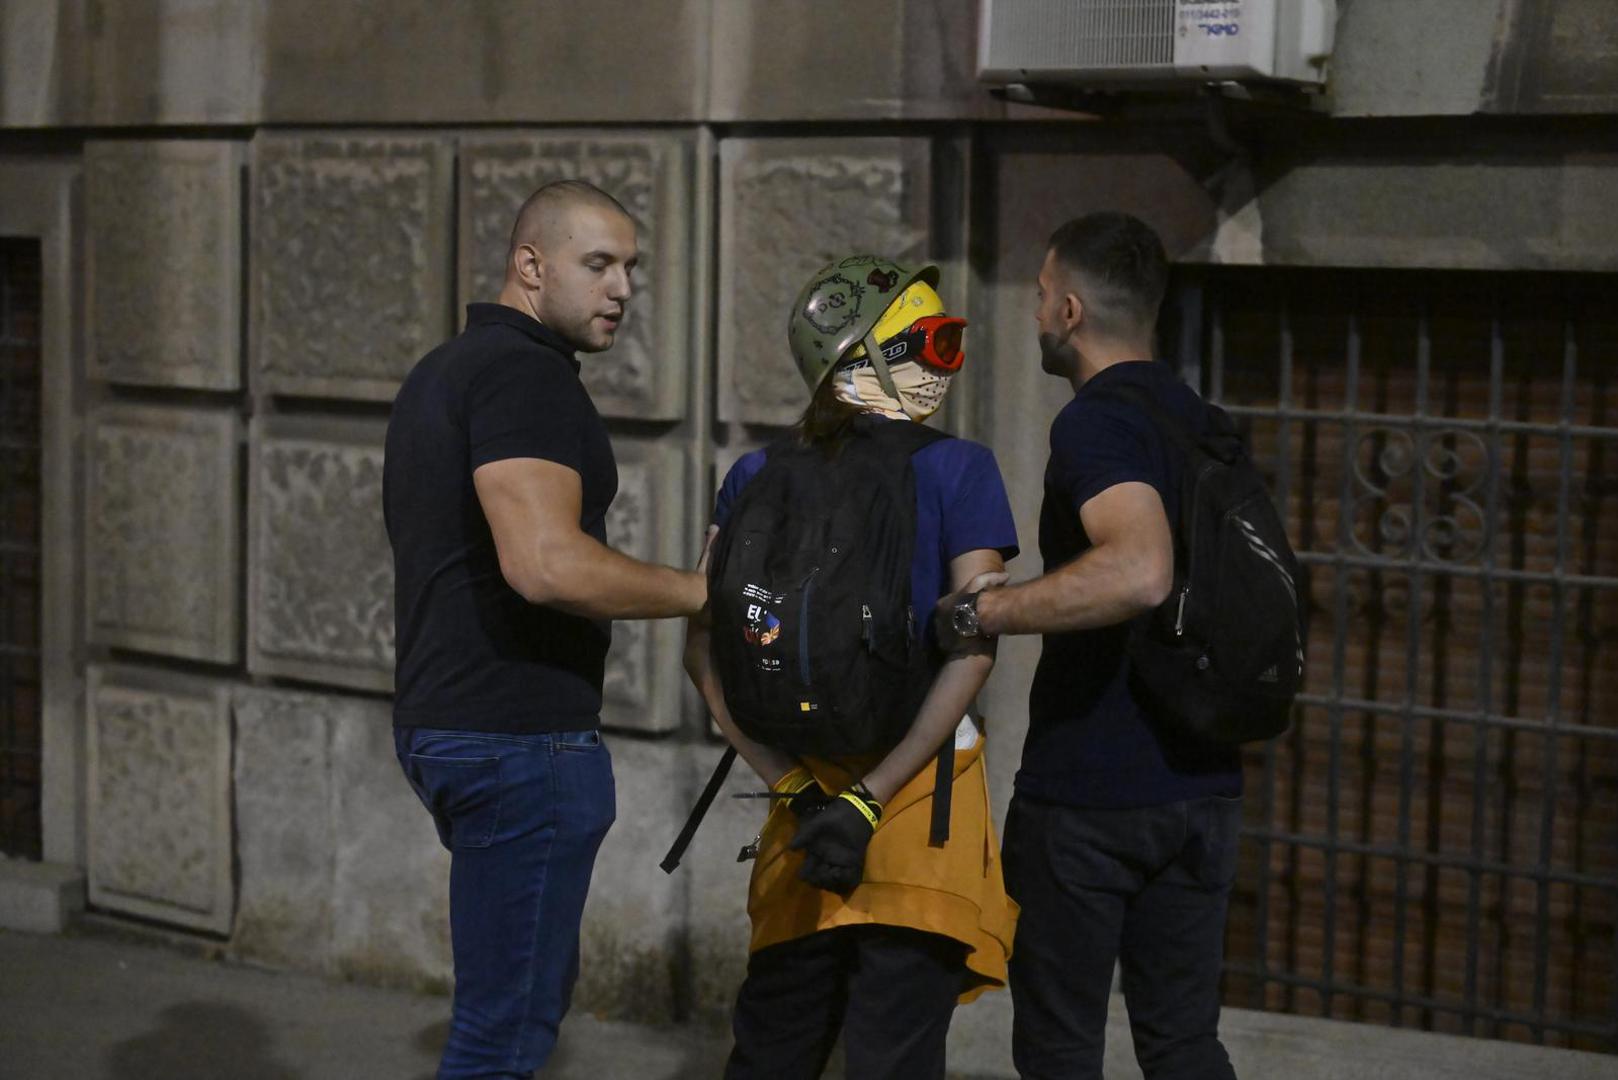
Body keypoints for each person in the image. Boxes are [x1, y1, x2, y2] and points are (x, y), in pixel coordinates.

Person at [382, 179, 707, 1079]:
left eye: (631, 268)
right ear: (530, 266)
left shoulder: (445, 369)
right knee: (504, 1036)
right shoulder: (524, 376)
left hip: (454, 723)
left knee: (504, 1015)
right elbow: (544, 564)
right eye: (597, 264)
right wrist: (699, 593)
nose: (623, 289)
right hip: (517, 739)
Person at [684, 256, 1021, 1080]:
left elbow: (702, 646)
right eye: (933, 343)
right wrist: (869, 801)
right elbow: (975, 645)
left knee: (773, 1048)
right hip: (920, 808)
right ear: (864, 359)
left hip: (801, 807)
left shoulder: (754, 475)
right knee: (894, 1057)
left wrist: (796, 788)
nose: (949, 364)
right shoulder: (960, 468)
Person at [934, 212, 1243, 1080]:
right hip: (1203, 787)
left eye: (1040, 295)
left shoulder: (1096, 424)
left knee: (1061, 1049)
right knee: (1183, 1043)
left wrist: (988, 613)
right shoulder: (1202, 421)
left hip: (1093, 796)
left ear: (1070, 311)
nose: (1034, 312)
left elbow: (1140, 570)